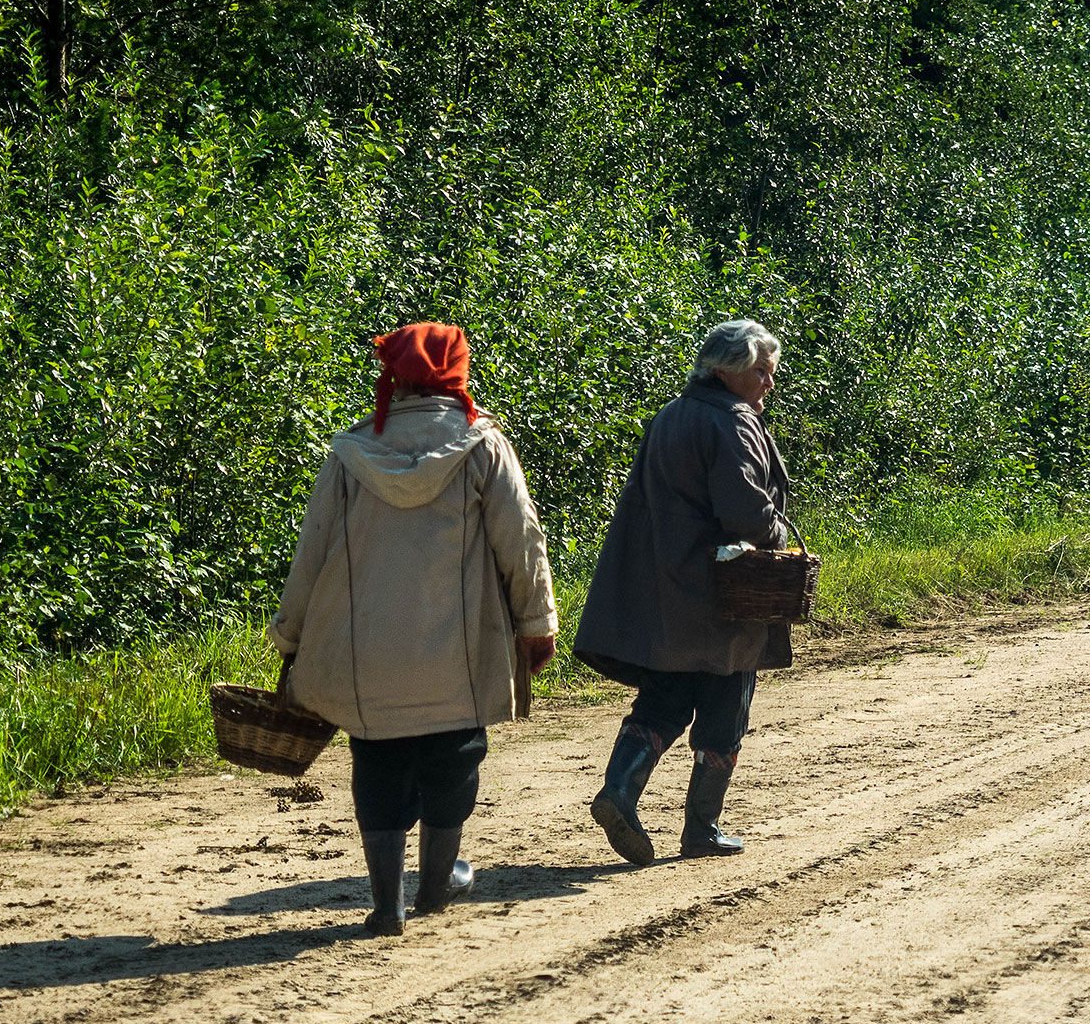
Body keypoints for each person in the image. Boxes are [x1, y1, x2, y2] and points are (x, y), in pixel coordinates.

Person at [266, 323, 557, 936]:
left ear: (393, 377)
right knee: (454, 758)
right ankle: (435, 887)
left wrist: (290, 639)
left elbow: (311, 554)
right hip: (459, 649)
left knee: (378, 760)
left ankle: (386, 904)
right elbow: (521, 544)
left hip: (367, 653)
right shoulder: (483, 449)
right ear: (458, 374)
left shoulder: (350, 455)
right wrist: (536, 624)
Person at [573, 319, 793, 865]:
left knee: (665, 698)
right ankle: (703, 829)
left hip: (664, 589)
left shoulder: (670, 415)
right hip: (724, 590)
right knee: (727, 701)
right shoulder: (734, 423)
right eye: (761, 371)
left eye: (771, 372)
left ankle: (619, 791)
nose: (769, 383)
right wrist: (778, 533)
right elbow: (744, 514)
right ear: (726, 371)